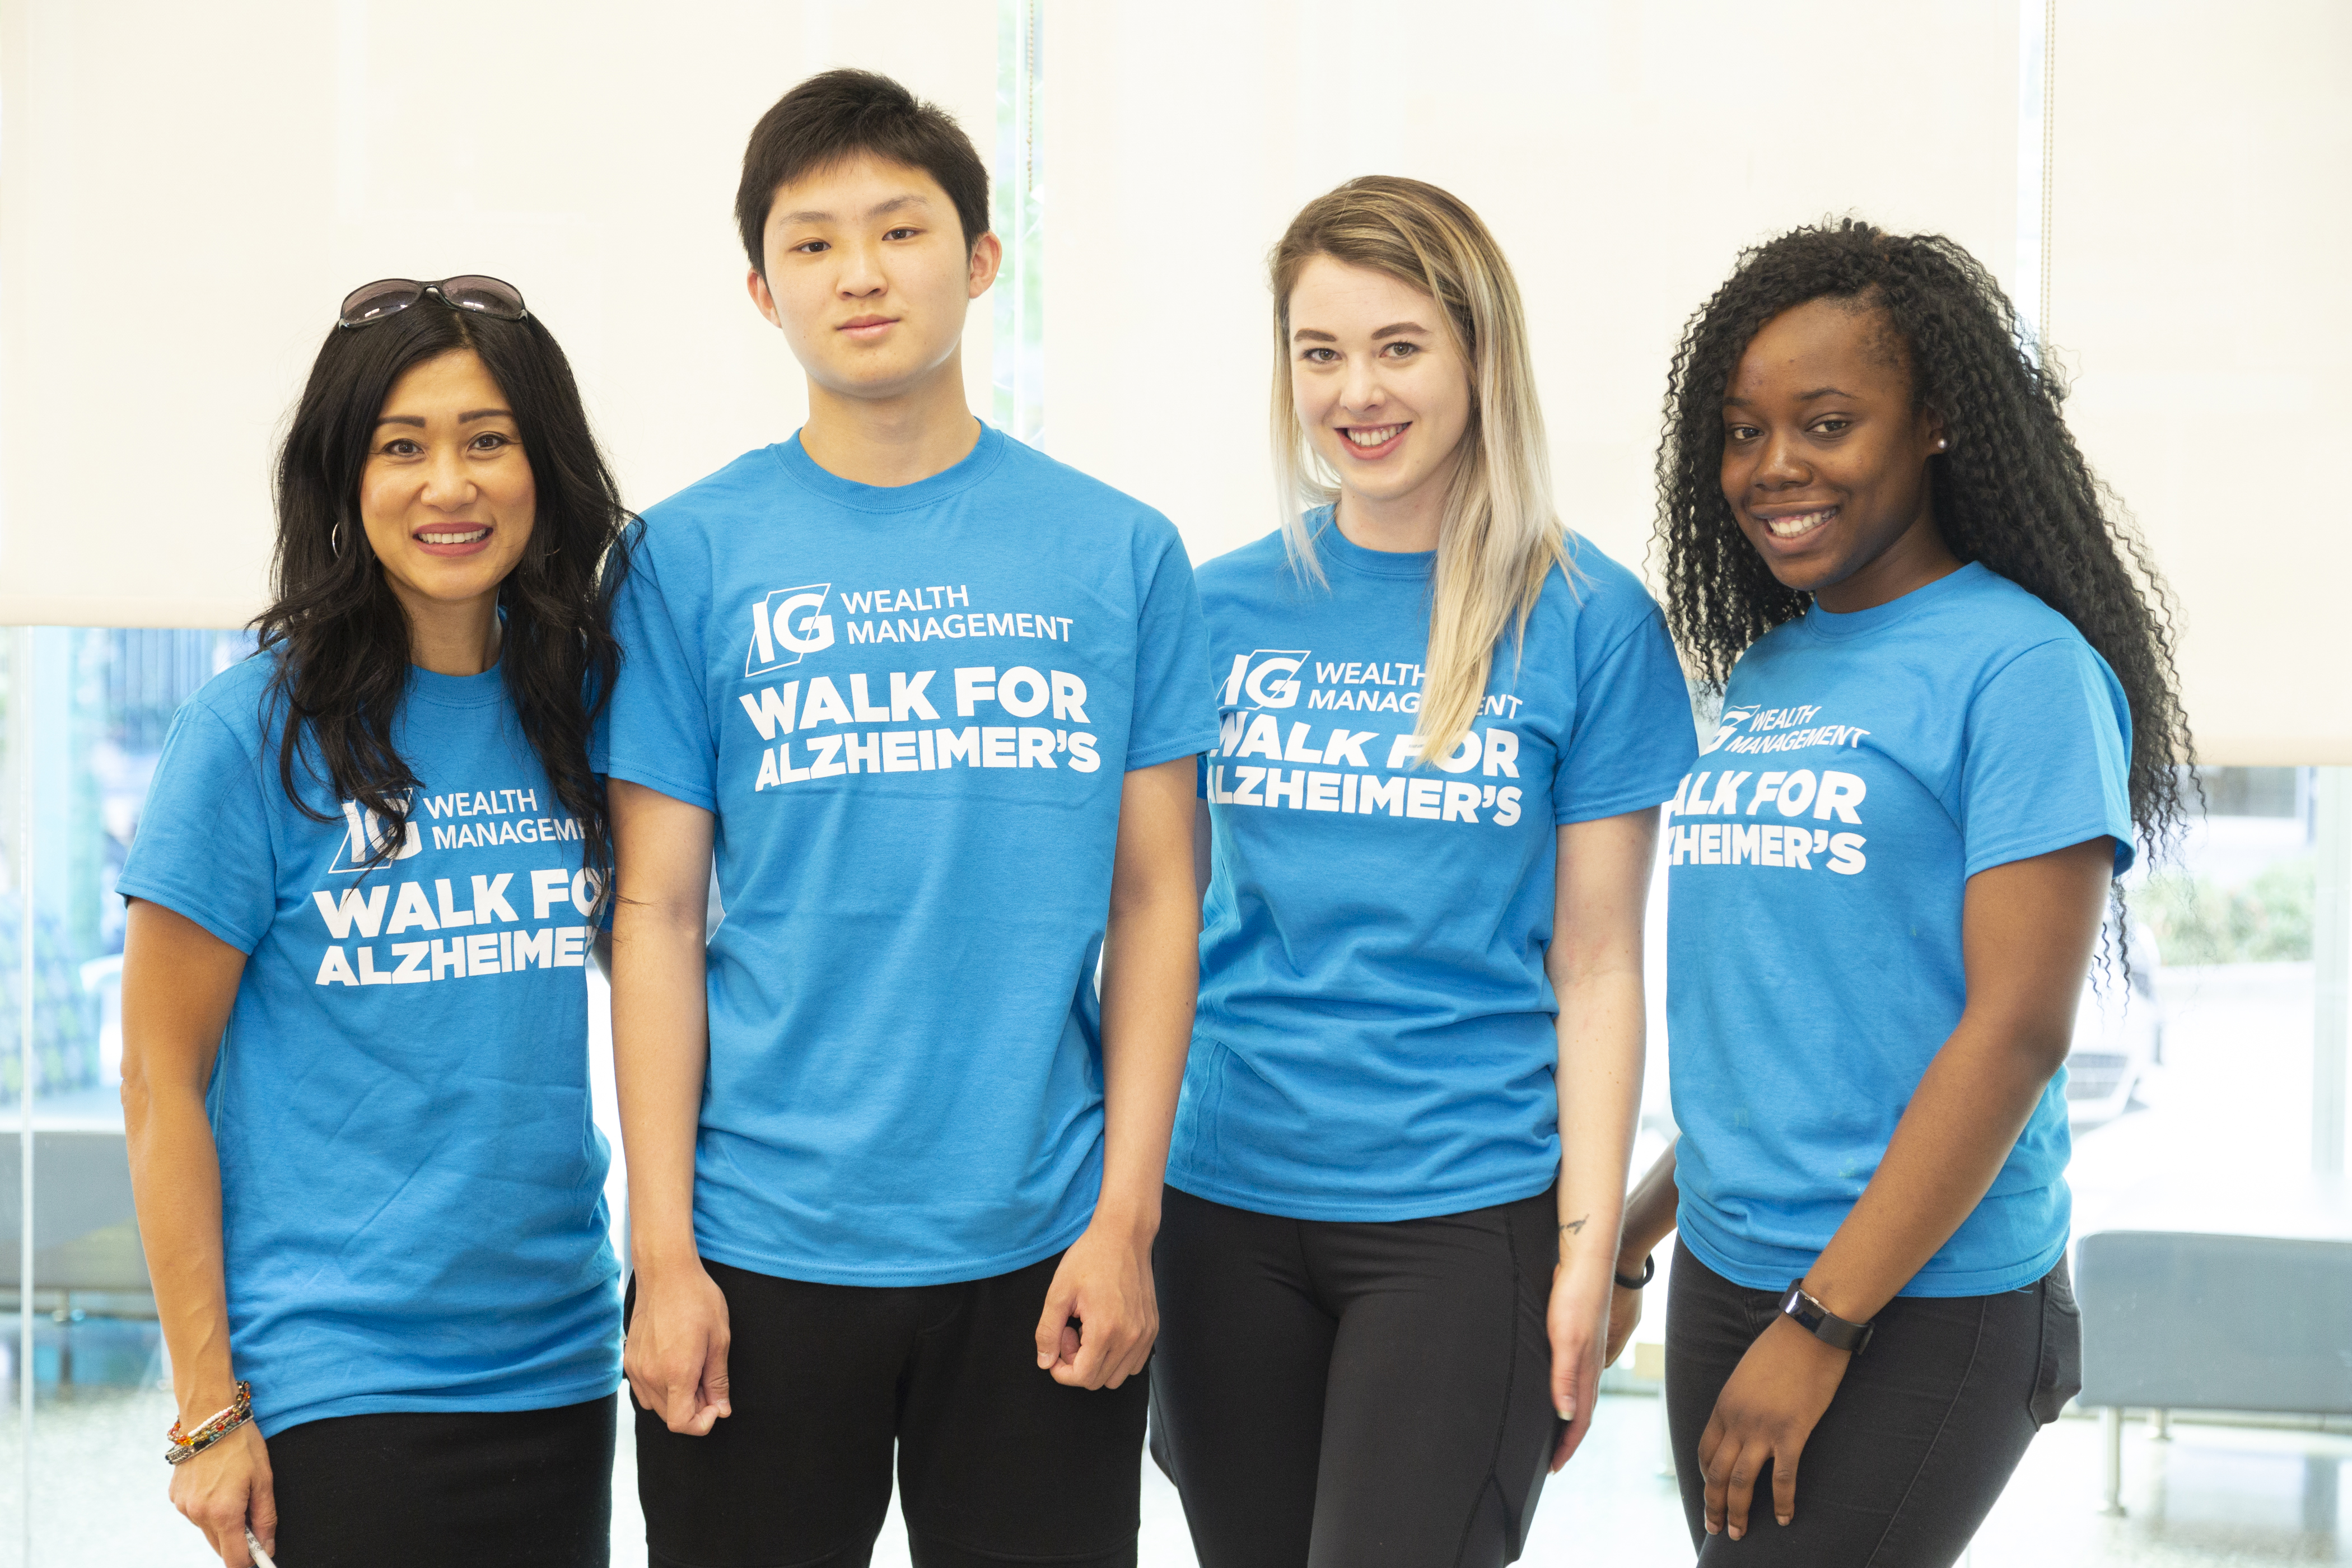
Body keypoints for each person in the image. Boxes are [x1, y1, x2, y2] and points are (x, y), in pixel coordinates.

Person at [602, 69, 1212, 1568]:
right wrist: (662, 1253)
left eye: (900, 230)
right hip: (757, 1248)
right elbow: (658, 917)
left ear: (983, 258)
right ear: (761, 289)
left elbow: (1155, 906)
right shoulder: (687, 557)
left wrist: (1126, 1220)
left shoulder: (1121, 553)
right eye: (811, 244)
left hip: (1042, 1240)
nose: (859, 274)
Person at [1606, 220, 2194, 1565]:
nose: (1774, 469)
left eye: (1826, 422)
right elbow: (1810, 1022)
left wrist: (1820, 1324)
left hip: (1919, 1296)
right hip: (1732, 1268)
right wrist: (1634, 1238)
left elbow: (2014, 1033)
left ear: (1932, 422)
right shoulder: (1772, 670)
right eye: (1744, 432)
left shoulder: (2022, 669)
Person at [1147, 176, 1698, 1568]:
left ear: (1477, 355)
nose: (1357, 391)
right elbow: (1152, 920)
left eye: (1398, 345)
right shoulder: (1212, 607)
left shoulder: (1588, 621)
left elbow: (1601, 960)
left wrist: (1588, 1251)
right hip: (1223, 1207)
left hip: (1462, 1222)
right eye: (1319, 351)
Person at [119, 275, 634, 1567]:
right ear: (346, 480)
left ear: (543, 465)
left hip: (559, 1357)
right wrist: (205, 1407)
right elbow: (157, 1081)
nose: (447, 484)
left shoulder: (583, 703)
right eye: (402, 446)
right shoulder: (252, 733)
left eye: (487, 439)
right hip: (340, 1371)